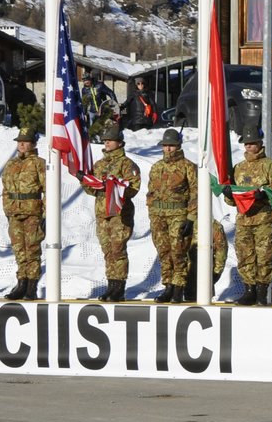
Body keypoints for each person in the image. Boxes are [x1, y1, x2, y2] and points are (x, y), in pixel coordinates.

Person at [224, 127, 272, 306]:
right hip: (244, 219)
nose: (249, 146)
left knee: (264, 255)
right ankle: (249, 290)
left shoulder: (270, 165)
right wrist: (229, 194)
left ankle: (262, 291)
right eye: (246, 143)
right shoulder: (238, 168)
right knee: (244, 255)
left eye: (252, 143)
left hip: (263, 218)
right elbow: (232, 200)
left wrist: (266, 194)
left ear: (260, 143)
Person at [84, 123, 141, 301]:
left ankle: (119, 287)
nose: (106, 143)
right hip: (102, 213)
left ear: (120, 143)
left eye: (110, 140)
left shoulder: (126, 164)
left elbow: (134, 188)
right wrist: (90, 183)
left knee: (118, 250)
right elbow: (91, 189)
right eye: (105, 140)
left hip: (119, 213)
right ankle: (111, 284)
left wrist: (116, 187)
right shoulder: (99, 165)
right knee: (107, 250)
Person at [146, 128, 198, 303]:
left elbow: (195, 193)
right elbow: (151, 192)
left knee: (178, 252)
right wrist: (152, 213)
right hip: (158, 216)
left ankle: (178, 287)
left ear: (179, 146)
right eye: (166, 146)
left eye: (172, 146)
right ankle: (168, 285)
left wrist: (190, 218)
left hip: (178, 215)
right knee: (164, 252)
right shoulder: (156, 167)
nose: (168, 149)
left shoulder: (187, 167)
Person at [2, 127, 46, 300]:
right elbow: (5, 188)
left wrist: (45, 214)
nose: (21, 144)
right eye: (19, 141)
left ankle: (31, 286)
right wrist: (7, 208)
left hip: (32, 212)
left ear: (33, 144)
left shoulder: (39, 163)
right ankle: (21, 283)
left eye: (25, 141)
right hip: (14, 212)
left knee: (32, 250)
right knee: (19, 250)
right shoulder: (11, 164)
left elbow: (47, 189)